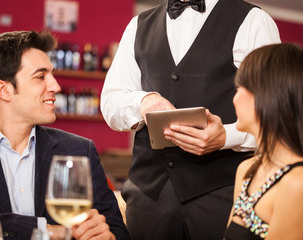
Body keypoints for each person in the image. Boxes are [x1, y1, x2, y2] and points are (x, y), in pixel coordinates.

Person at [100, 0, 281, 239]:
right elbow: (111, 101)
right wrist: (143, 102)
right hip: (148, 195)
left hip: (222, 193)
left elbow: (277, 114)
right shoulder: (138, 25)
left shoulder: (254, 21)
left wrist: (226, 136)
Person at [0, 30, 130, 240]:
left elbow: (117, 230)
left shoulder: (79, 150)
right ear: (3, 90)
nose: (56, 86)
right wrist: (47, 230)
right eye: (41, 76)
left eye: (52, 75)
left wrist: (108, 236)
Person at [224, 43, 303, 239]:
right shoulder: (247, 169)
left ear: (267, 95)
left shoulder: (297, 183)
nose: (234, 99)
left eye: (240, 87)